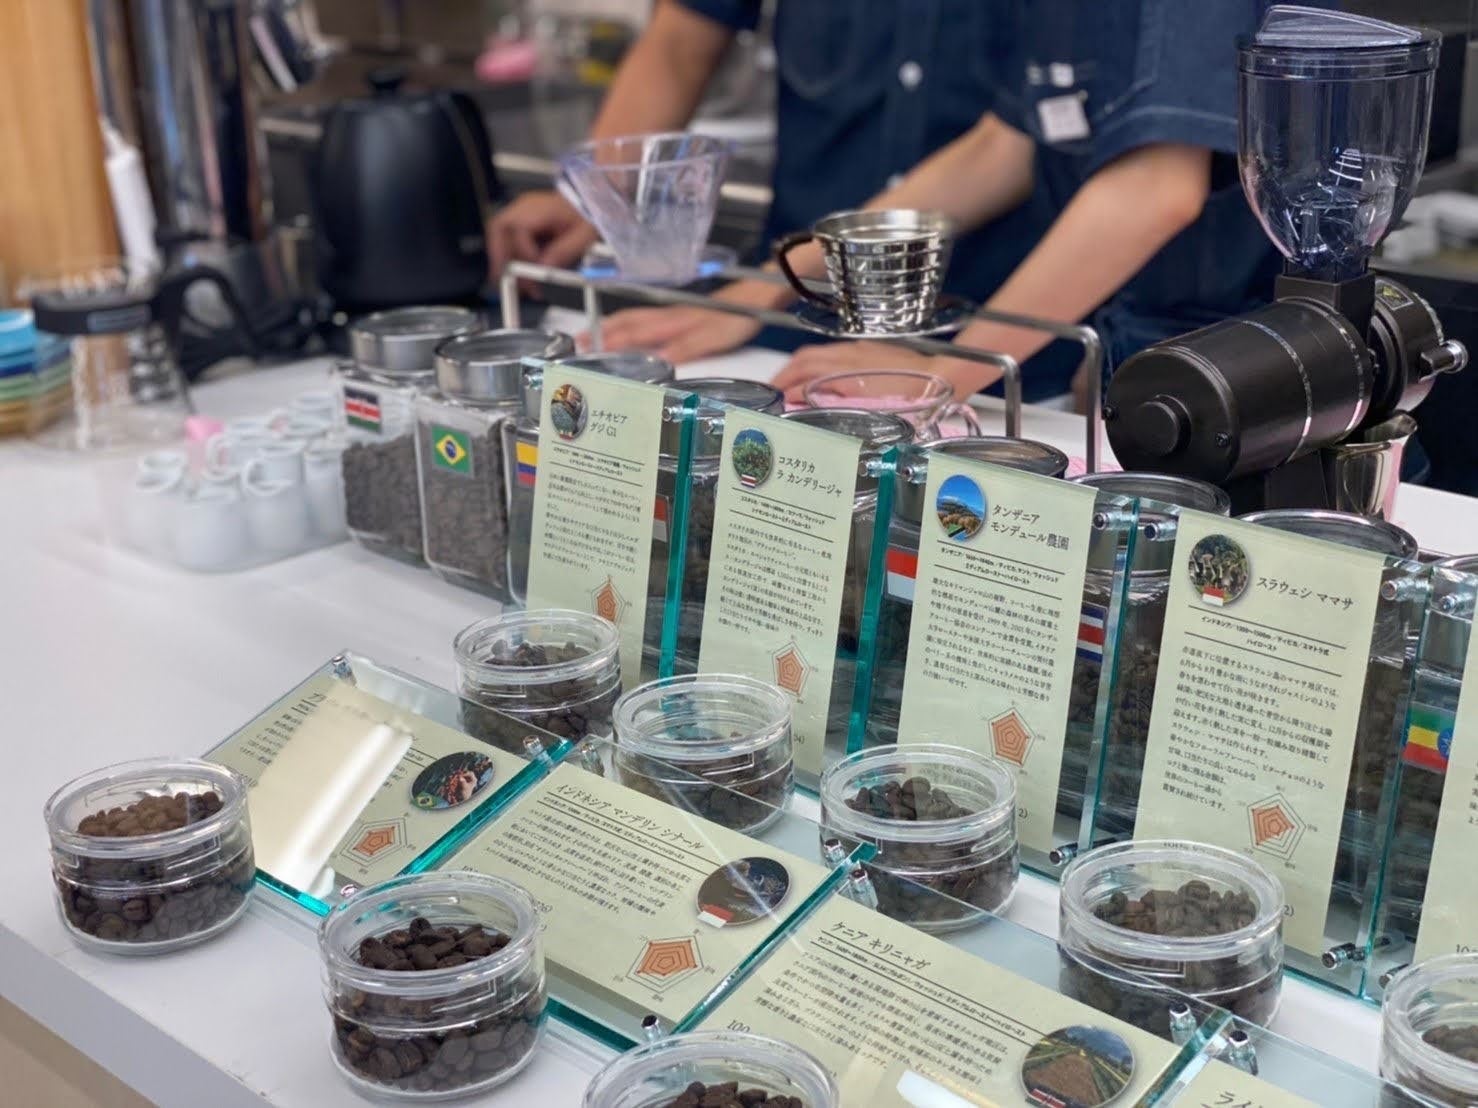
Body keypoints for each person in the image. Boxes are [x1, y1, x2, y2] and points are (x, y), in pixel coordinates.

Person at [490, 0, 1076, 400]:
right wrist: (596, 195)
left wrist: (767, 285)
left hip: (1004, 341)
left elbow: (1012, 144)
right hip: (789, 331)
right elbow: (682, 37)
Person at [764, 0, 1285, 402]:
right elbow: (1006, 147)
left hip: (1229, 361)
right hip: (1116, 354)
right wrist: (766, 286)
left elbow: (1155, 186)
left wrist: (941, 374)